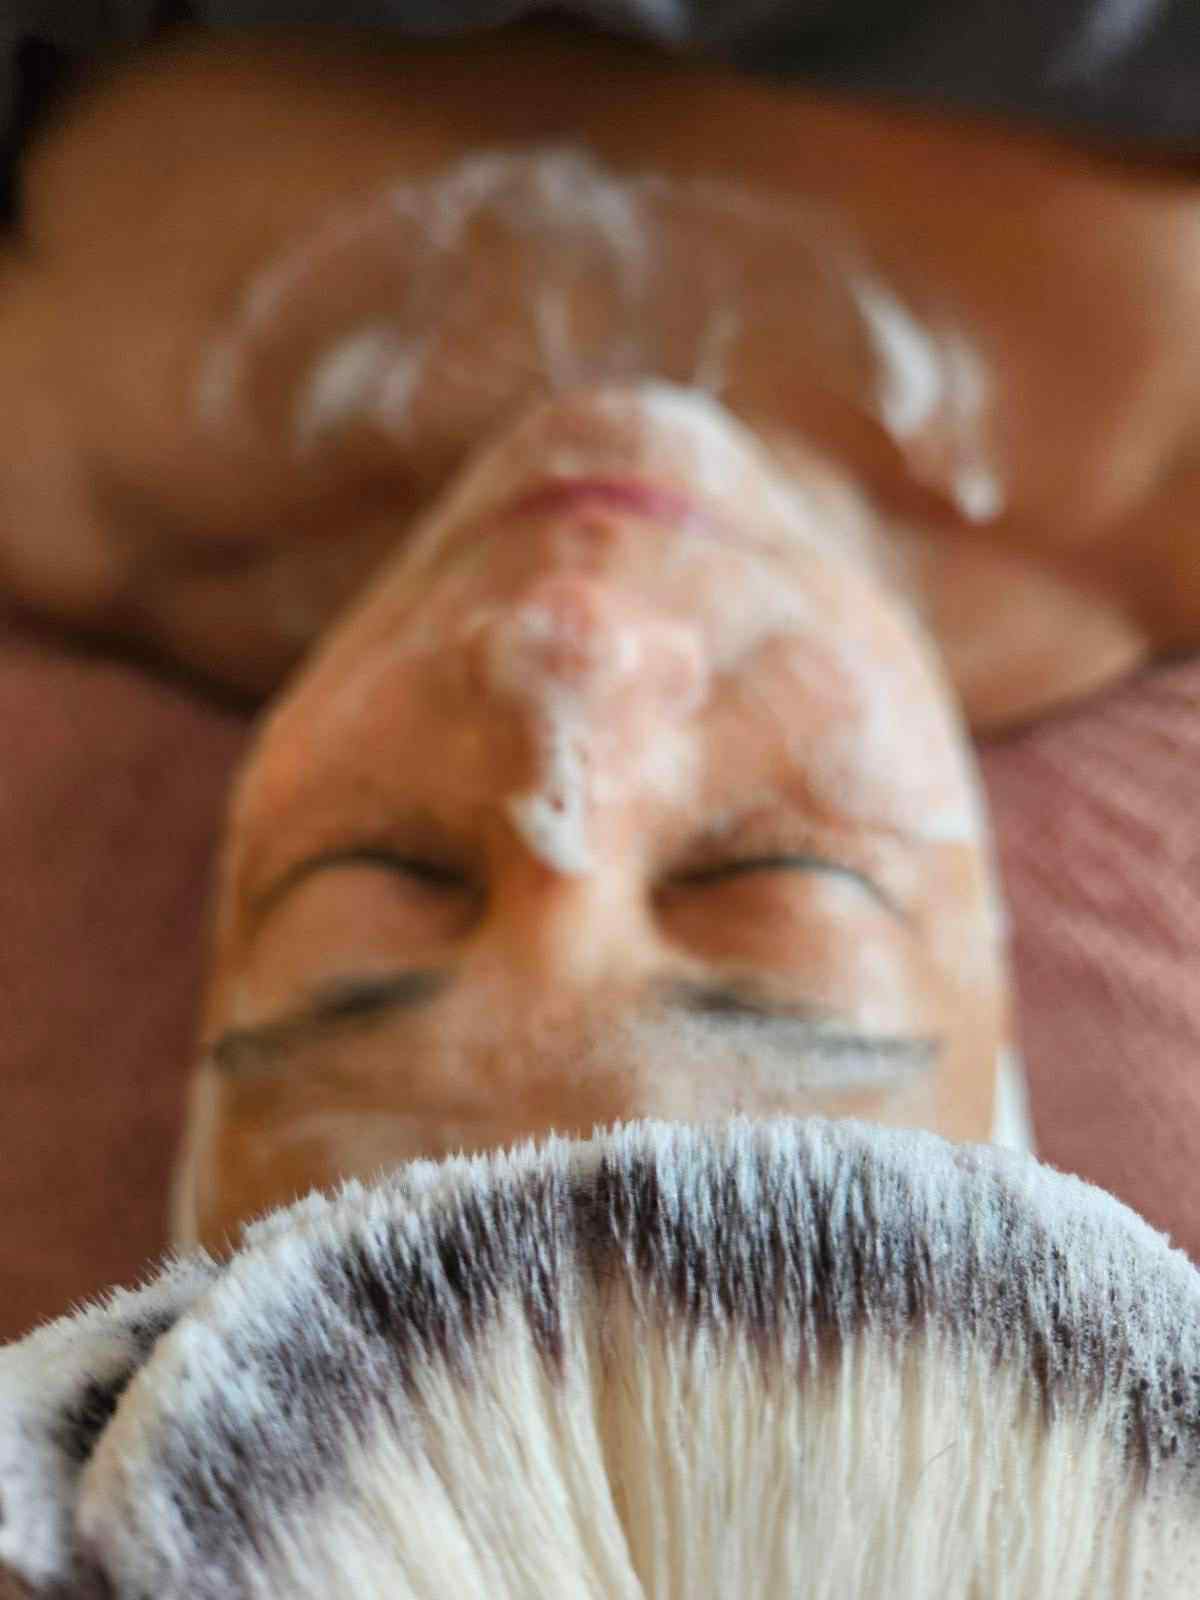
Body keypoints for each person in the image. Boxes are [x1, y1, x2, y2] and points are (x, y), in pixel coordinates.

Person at [4, 21, 1200, 1249]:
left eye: (385, 870)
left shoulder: (72, 450)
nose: (572, 649)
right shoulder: (1161, 419)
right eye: (769, 873)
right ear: (989, 969)